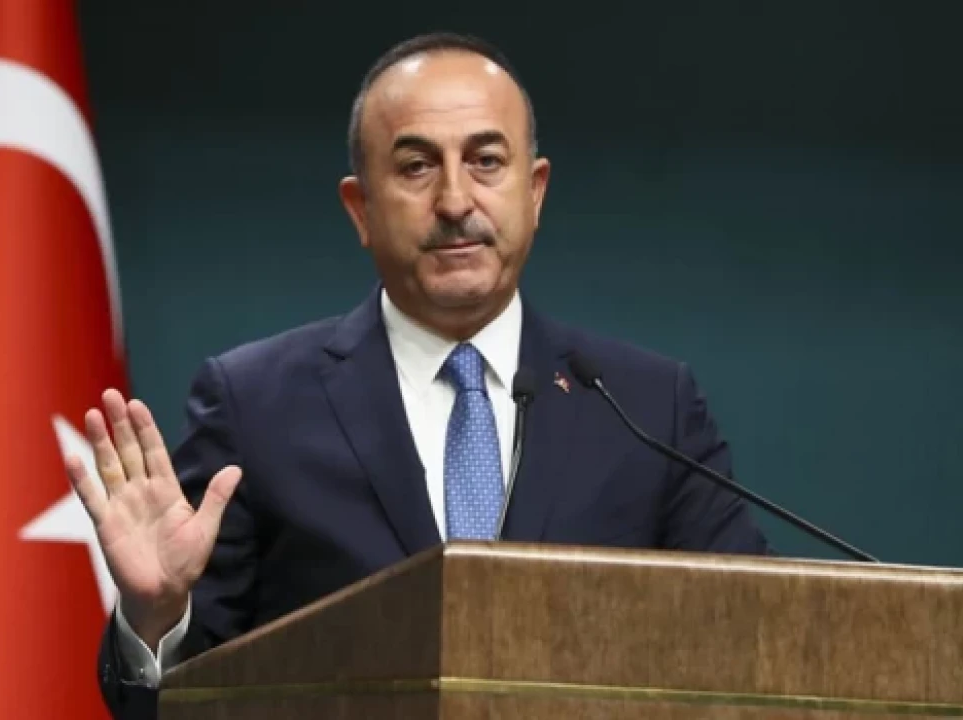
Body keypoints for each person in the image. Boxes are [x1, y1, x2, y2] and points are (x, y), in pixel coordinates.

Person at [66, 32, 771, 720]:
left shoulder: (647, 408)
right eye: (416, 167)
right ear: (360, 209)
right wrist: (157, 614)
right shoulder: (253, 404)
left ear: (535, 192)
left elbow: (757, 644)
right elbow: (163, 704)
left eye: (486, 161)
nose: (455, 201)